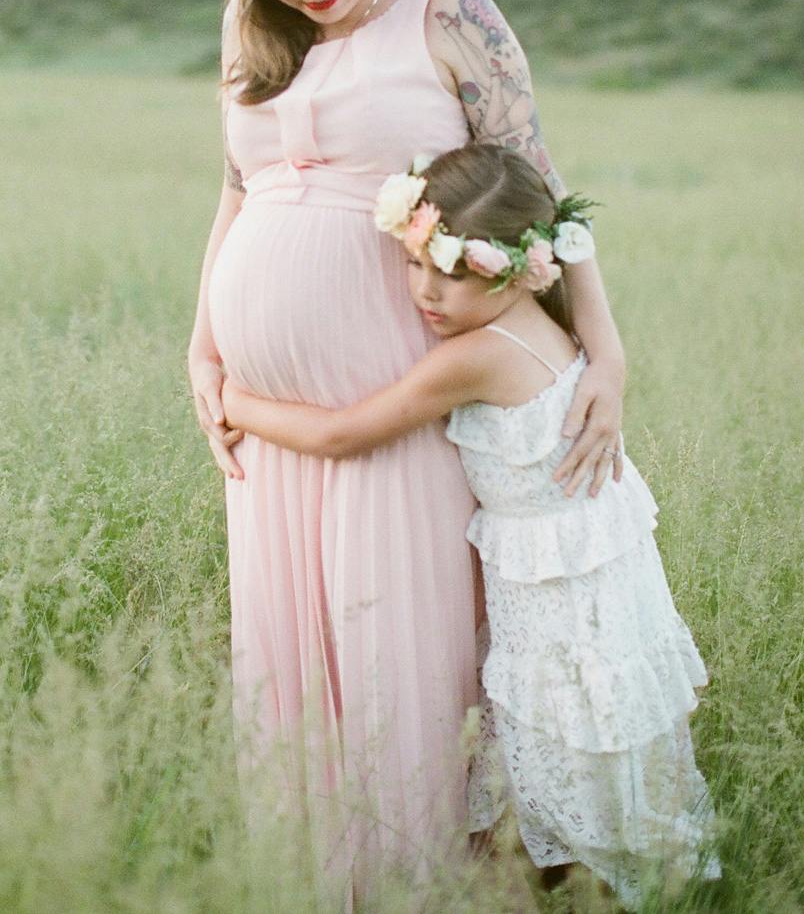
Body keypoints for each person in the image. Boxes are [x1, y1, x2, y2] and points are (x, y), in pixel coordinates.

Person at [186, 0, 627, 894]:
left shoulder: (447, 8)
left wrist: (603, 355)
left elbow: (536, 179)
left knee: (398, 643)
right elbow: (237, 192)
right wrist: (201, 348)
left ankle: (425, 881)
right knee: (295, 657)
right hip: (270, 428)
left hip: (397, 389)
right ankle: (316, 880)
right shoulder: (254, 39)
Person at [221, 142, 721, 909]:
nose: (427, 291)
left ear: (521, 265)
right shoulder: (551, 322)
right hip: (593, 577)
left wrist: (235, 402)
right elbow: (575, 238)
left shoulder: (479, 354)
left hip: (561, 596)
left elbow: (342, 433)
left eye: (454, 273)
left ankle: (579, 885)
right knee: (585, 757)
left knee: (564, 757)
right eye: (418, 262)